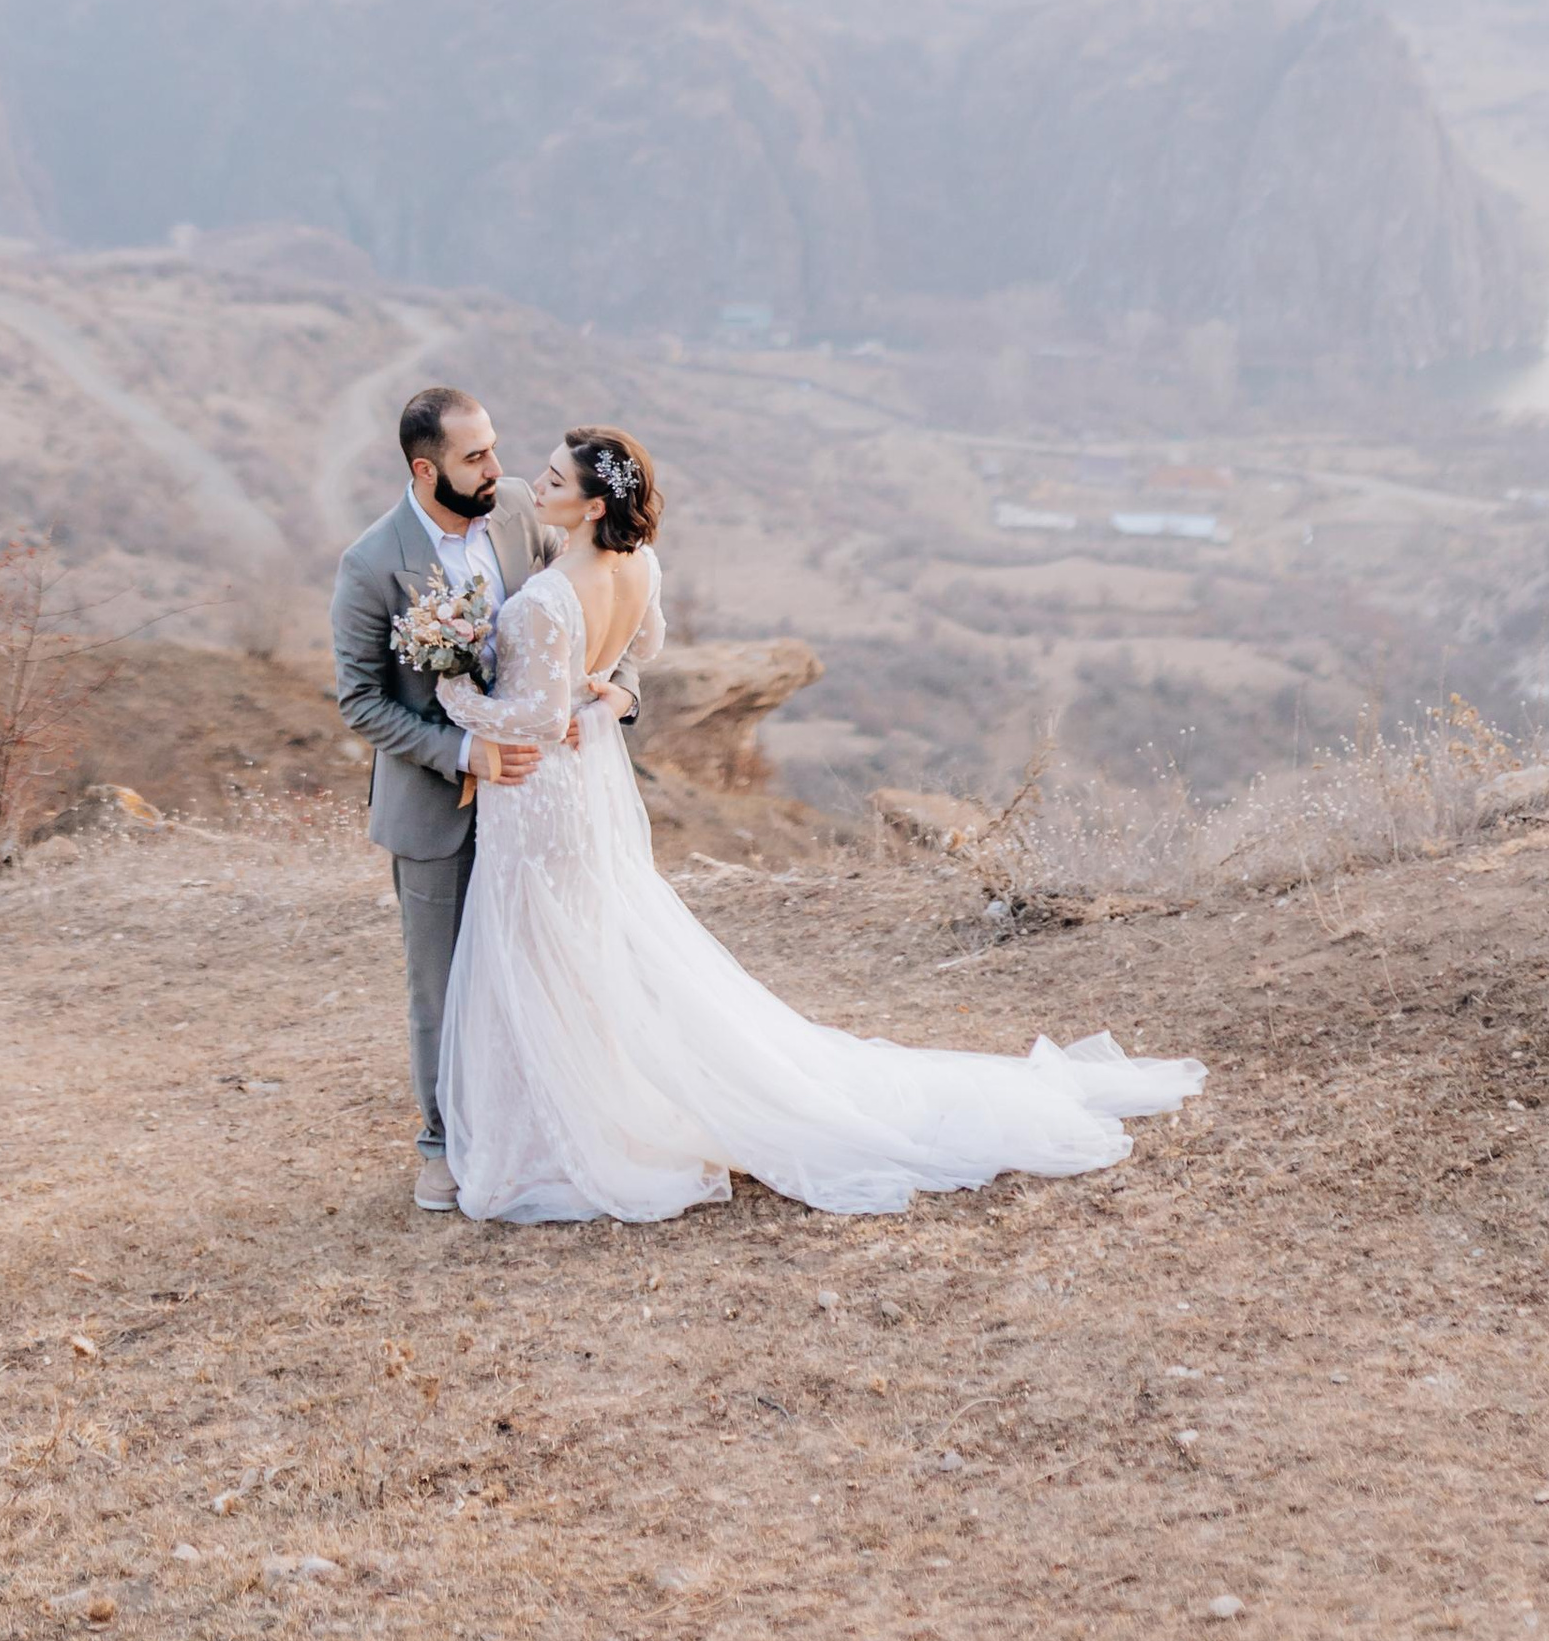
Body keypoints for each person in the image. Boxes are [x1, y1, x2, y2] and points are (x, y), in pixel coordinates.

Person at [433, 421, 1205, 1223]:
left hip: (543, 789)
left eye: (556, 480)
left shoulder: (557, 593)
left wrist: (455, 690)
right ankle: (587, 1104)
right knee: (581, 943)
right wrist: (610, 688)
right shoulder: (640, 565)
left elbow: (534, 714)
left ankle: (568, 1127)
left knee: (541, 945)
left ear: (594, 507)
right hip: (583, 780)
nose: (539, 485)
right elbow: (647, 645)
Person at [330, 384, 643, 1209]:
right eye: (477, 458)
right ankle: (441, 1143)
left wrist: (609, 695)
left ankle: (534, 1124)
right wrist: (465, 750)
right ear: (426, 469)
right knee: (441, 987)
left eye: (497, 449)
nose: (499, 469)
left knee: (537, 970)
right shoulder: (370, 563)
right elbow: (360, 700)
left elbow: (605, 594)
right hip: (436, 811)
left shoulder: (516, 513)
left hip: (538, 809)